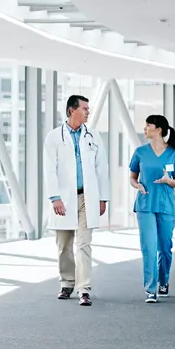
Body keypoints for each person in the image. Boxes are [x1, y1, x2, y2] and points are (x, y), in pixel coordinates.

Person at [43, 95, 110, 306]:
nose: (88, 112)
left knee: (84, 244)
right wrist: (55, 198)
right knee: (64, 245)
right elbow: (49, 169)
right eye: (84, 108)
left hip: (86, 197)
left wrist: (103, 198)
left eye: (89, 109)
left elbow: (102, 169)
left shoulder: (93, 136)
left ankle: (84, 289)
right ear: (72, 110)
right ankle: (67, 283)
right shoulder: (54, 137)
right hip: (63, 198)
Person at [129, 115, 175, 303]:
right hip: (145, 205)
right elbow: (133, 177)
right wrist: (137, 185)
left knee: (165, 248)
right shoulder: (140, 152)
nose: (144, 129)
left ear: (159, 129)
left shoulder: (174, 154)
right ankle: (150, 289)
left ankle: (164, 281)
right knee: (149, 247)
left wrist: (168, 181)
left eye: (148, 125)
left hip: (165, 206)